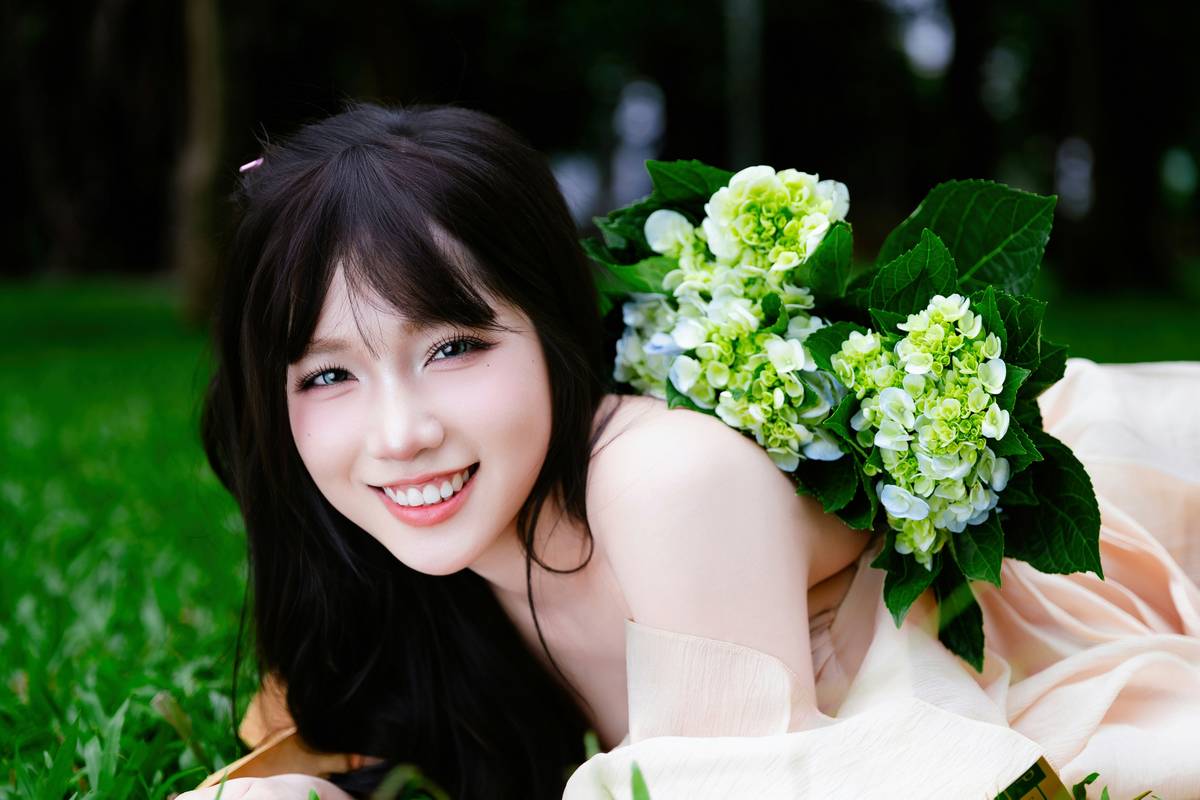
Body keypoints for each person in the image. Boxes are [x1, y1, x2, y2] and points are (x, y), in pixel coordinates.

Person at [179, 101, 1200, 800]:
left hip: (1099, 576)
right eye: (327, 375)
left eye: (455, 346)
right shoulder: (386, 564)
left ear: (555, 326)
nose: (399, 433)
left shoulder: (668, 481)